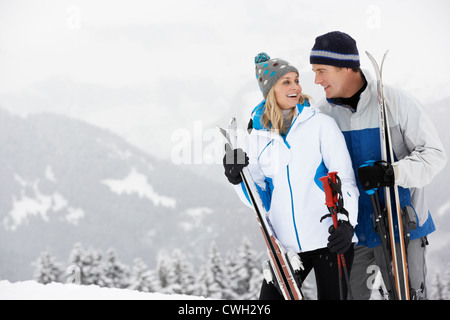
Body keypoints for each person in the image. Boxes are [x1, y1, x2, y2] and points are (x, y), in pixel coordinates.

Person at [310, 31, 447, 299]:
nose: (316, 80)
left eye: (322, 70)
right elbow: (311, 171)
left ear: (347, 67)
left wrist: (391, 173)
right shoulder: (322, 116)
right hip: (353, 234)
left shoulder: (396, 102)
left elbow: (434, 154)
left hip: (401, 227)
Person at [222, 52, 360, 300]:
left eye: (296, 80)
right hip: (286, 247)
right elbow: (260, 199)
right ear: (270, 90)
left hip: (330, 237)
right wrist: (238, 180)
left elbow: (345, 180)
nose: (296, 86)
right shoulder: (257, 138)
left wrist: (347, 222)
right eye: (286, 81)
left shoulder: (321, 125)